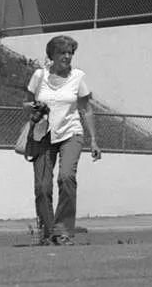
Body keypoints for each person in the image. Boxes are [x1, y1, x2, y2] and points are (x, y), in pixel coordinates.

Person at [23, 35, 101, 246]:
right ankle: (48, 233)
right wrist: (34, 109)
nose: (67, 56)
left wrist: (93, 139)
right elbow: (27, 104)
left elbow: (86, 108)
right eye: (62, 52)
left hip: (70, 133)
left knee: (66, 177)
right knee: (42, 187)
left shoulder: (77, 77)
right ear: (52, 55)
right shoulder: (39, 76)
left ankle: (63, 231)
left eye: (70, 53)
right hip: (43, 135)